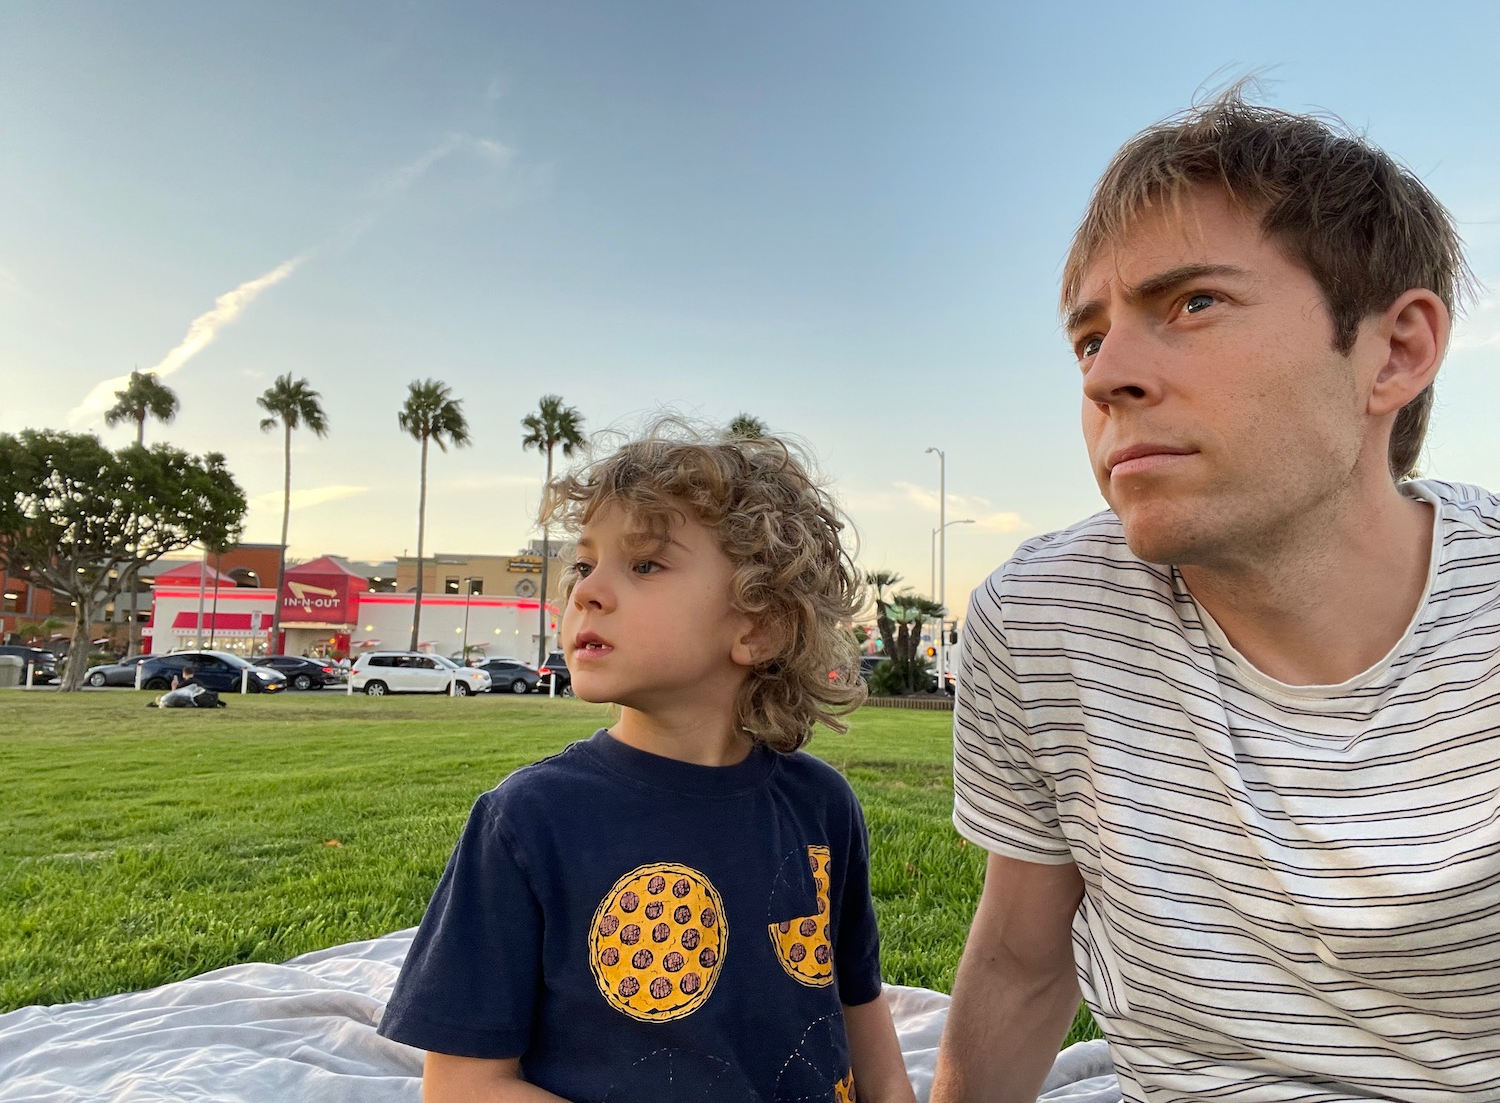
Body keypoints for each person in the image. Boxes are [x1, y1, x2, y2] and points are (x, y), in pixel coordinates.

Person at [933, 87, 1500, 1102]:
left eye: (1192, 304)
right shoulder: (1043, 619)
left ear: (1396, 350)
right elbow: (1021, 965)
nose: (1108, 377)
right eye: (1088, 339)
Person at [379, 427, 916, 1103]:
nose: (588, 592)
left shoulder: (821, 805)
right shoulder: (528, 821)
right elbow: (462, 1086)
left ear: (758, 627)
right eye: (584, 565)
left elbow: (857, 1006)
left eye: (645, 565)